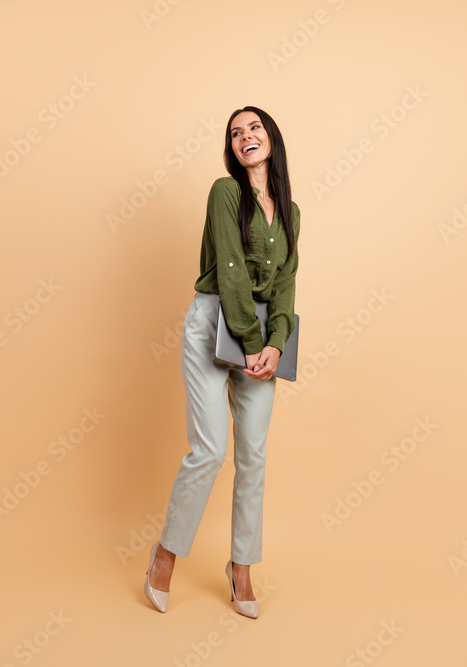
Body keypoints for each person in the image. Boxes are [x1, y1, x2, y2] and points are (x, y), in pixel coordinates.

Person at [143, 106, 300, 618]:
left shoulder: (292, 213)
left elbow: (284, 286)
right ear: (231, 148)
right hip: (214, 324)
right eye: (236, 132)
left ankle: (242, 569)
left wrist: (276, 341)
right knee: (210, 450)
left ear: (271, 138)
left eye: (254, 127)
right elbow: (231, 270)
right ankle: (164, 555)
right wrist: (252, 340)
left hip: (259, 340)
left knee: (253, 455)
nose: (245, 136)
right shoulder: (225, 192)